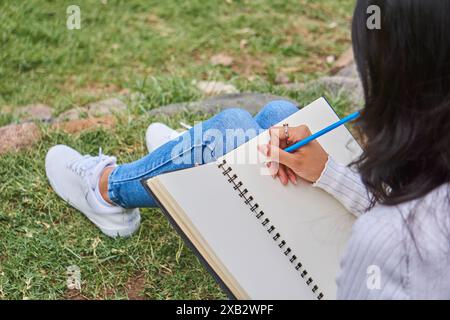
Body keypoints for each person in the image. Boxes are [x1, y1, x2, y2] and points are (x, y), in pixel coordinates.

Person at [46, 0, 450, 299]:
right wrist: (327, 172)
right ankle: (192, 160)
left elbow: (396, 232)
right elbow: (405, 212)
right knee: (279, 115)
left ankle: (108, 190)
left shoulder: (388, 241)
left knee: (230, 131)